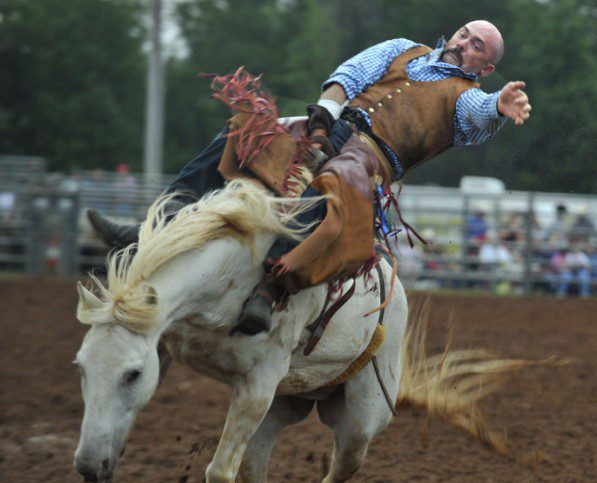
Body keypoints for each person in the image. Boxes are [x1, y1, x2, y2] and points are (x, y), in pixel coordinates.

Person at [89, 21, 531, 334]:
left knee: (334, 188)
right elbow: (350, 74)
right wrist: (324, 121)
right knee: (243, 131)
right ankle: (153, 228)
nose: (464, 44)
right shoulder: (402, 47)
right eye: (464, 35)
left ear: (484, 69)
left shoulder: (467, 97)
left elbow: (480, 115)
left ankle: (270, 289)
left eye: (477, 47)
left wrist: (500, 105)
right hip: (334, 121)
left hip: (375, 158)